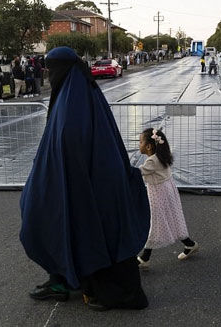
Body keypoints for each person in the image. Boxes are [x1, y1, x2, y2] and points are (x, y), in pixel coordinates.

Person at [20, 46, 150, 311]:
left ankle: (118, 295)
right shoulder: (77, 94)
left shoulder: (74, 101)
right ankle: (61, 279)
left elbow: (70, 144)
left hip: (91, 184)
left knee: (94, 234)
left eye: (51, 68)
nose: (48, 73)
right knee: (50, 222)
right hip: (83, 182)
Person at [136, 128, 199, 267]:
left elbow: (137, 173)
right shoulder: (161, 156)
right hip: (167, 191)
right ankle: (190, 244)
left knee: (155, 222)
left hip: (158, 194)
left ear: (148, 146)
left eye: (140, 142)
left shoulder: (152, 161)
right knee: (172, 218)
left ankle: (145, 258)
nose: (138, 145)